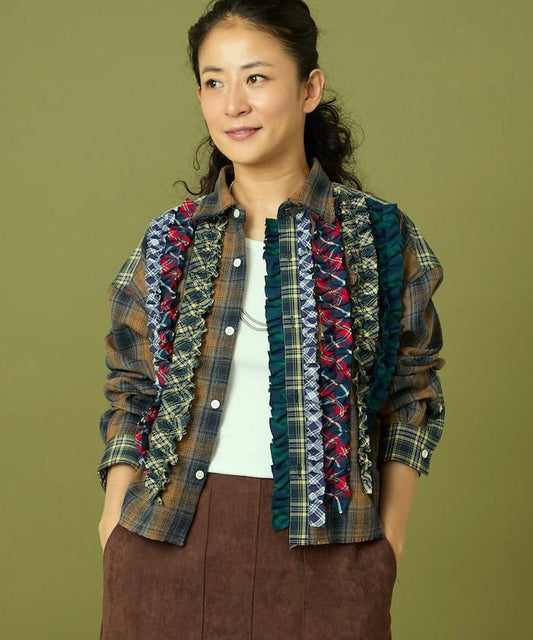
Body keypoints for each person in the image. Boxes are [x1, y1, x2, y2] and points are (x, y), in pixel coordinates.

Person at [97, 1, 446, 639]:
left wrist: (388, 541)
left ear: (309, 89)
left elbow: (412, 393)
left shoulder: (377, 236)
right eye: (214, 82)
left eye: (256, 77)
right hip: (165, 541)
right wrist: (114, 517)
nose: (234, 104)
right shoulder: (170, 240)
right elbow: (133, 387)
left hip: (330, 550)